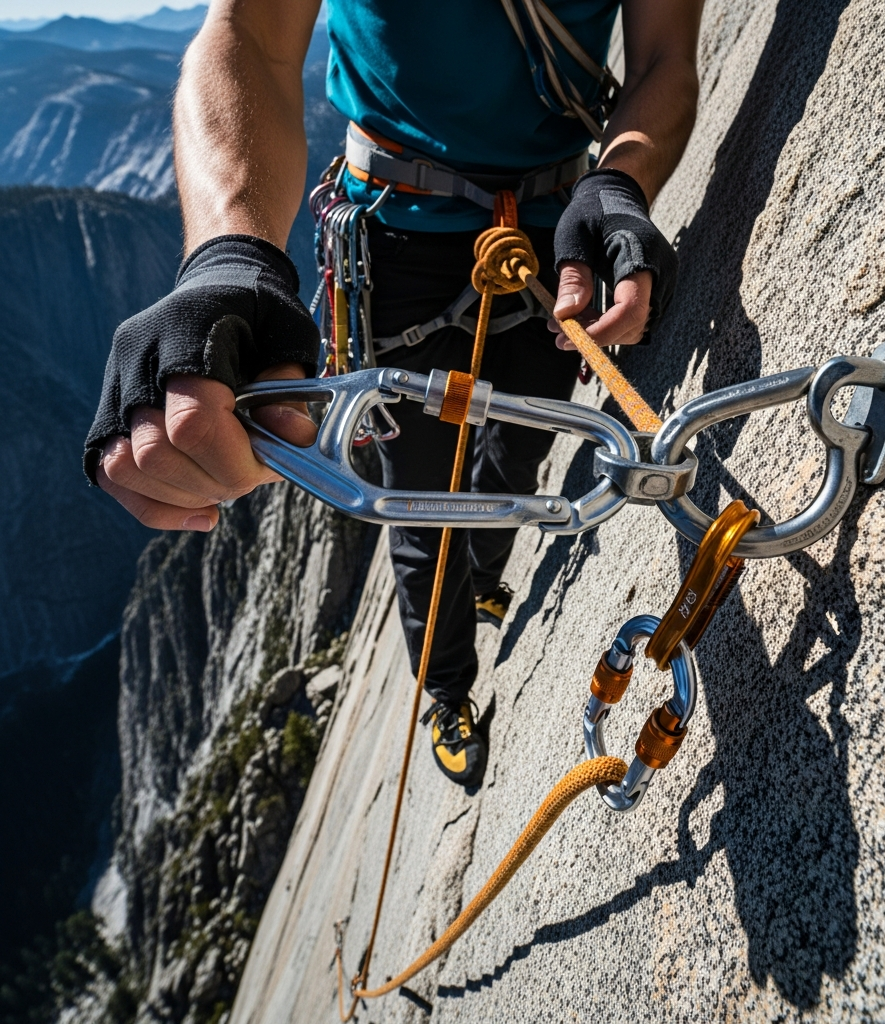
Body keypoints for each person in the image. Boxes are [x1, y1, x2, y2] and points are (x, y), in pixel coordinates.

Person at [85, 0, 703, 787]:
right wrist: (230, 254)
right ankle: (448, 690)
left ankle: (481, 578)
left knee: (520, 448)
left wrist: (622, 178)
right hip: (398, 248)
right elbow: (250, 36)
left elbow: (663, 59)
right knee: (421, 498)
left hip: (557, 231)